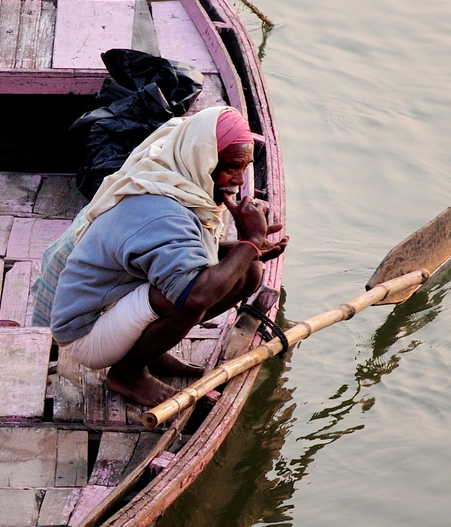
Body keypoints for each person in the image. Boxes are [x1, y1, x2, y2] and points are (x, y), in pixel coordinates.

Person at [34, 106, 287, 407]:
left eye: (244, 167)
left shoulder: (173, 180)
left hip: (112, 304)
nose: (240, 181)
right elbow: (195, 295)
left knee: (250, 272)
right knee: (188, 295)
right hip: (85, 333)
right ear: (203, 159)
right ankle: (127, 373)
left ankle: (149, 352)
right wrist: (252, 240)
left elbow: (163, 254)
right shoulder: (164, 211)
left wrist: (246, 251)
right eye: (232, 166)